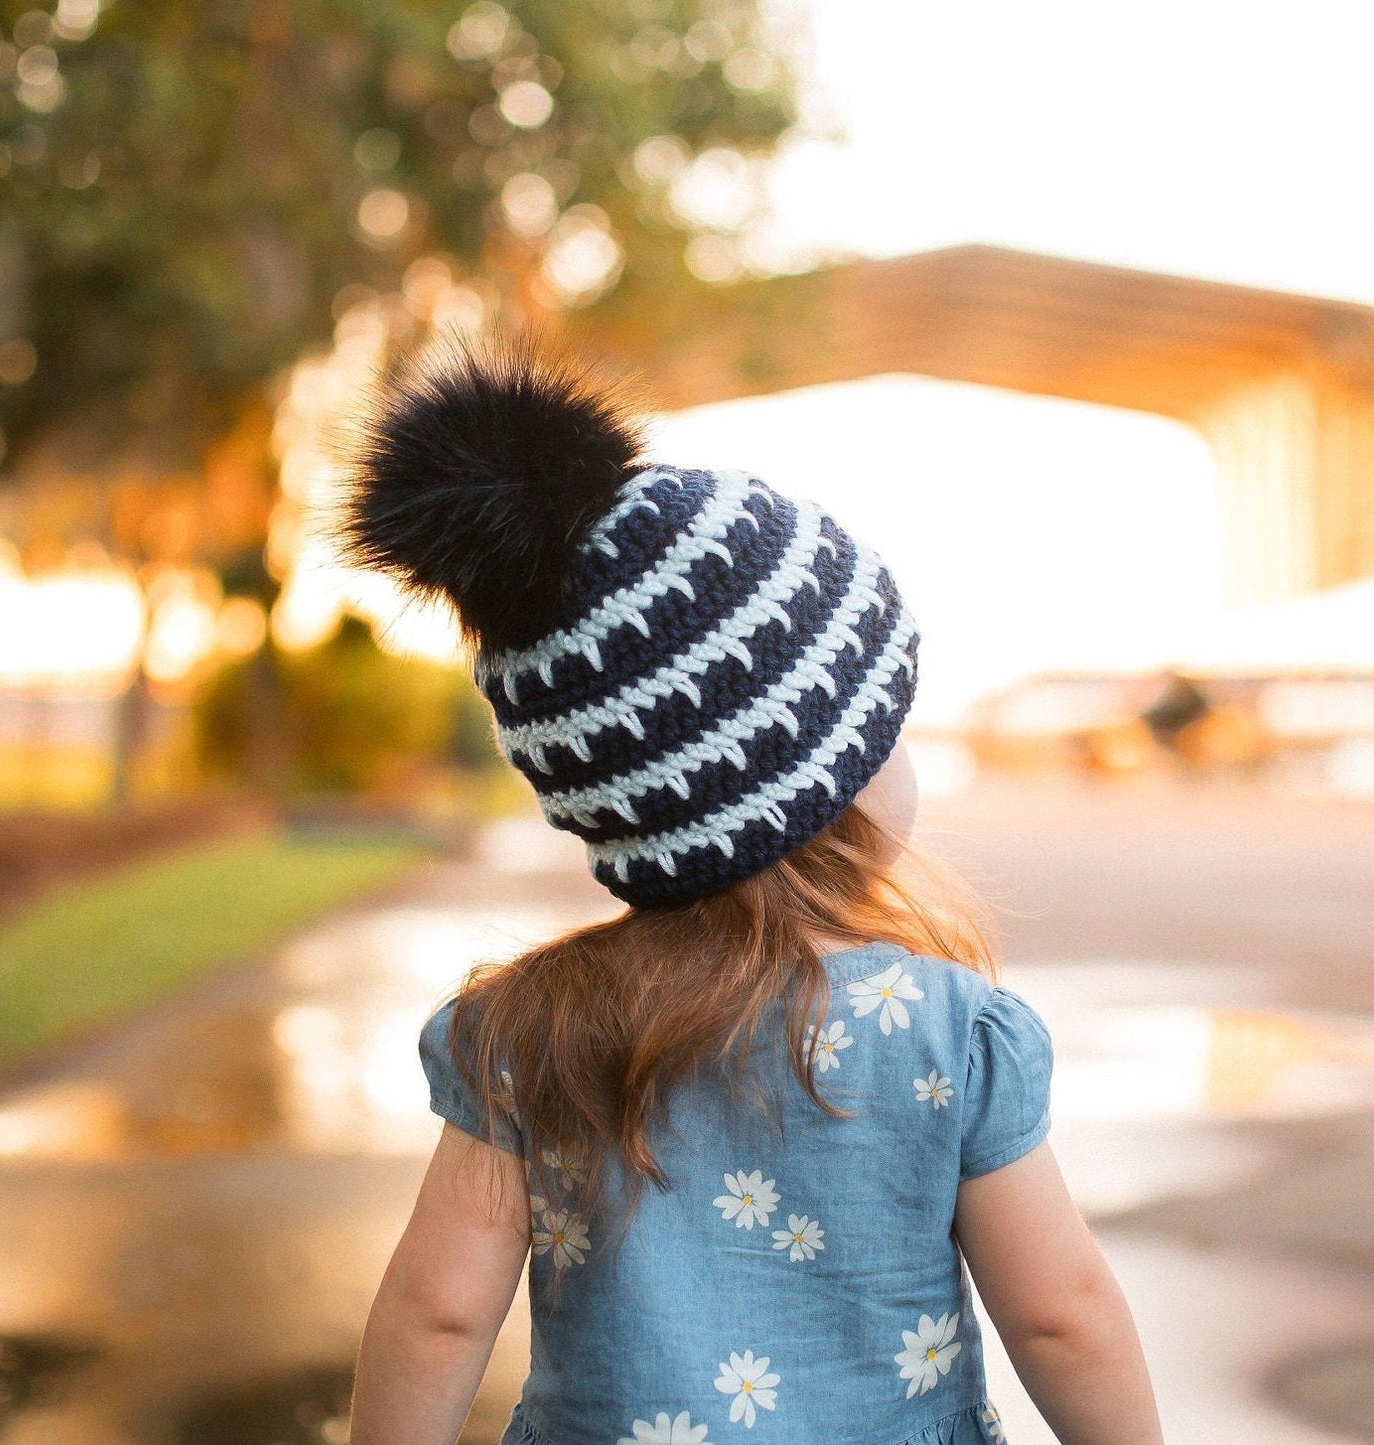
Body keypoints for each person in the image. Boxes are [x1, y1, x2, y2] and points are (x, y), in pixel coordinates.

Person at [342, 341, 1163, 1445]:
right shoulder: (942, 1034)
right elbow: (1062, 1315)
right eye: (888, 730)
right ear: (819, 787)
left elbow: (436, 1314)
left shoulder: (525, 1034)